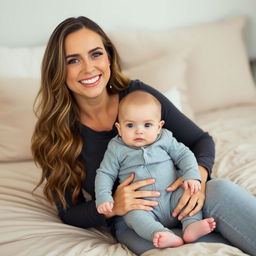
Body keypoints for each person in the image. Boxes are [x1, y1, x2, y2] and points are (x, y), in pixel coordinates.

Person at [31, 16, 256, 256]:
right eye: (73, 60)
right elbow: (68, 212)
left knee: (222, 190)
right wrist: (113, 207)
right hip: (134, 221)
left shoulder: (137, 95)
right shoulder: (53, 133)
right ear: (57, 69)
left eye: (96, 54)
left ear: (109, 57)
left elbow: (201, 140)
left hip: (182, 197)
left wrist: (197, 180)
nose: (88, 68)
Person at [95, 90, 216, 248]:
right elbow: (105, 173)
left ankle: (191, 226)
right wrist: (104, 197)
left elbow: (184, 155)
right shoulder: (116, 148)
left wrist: (192, 175)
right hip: (142, 205)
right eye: (130, 125)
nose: (139, 131)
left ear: (159, 126)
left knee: (190, 196)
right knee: (133, 216)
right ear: (119, 128)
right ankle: (160, 233)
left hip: (172, 195)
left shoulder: (165, 138)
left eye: (147, 125)